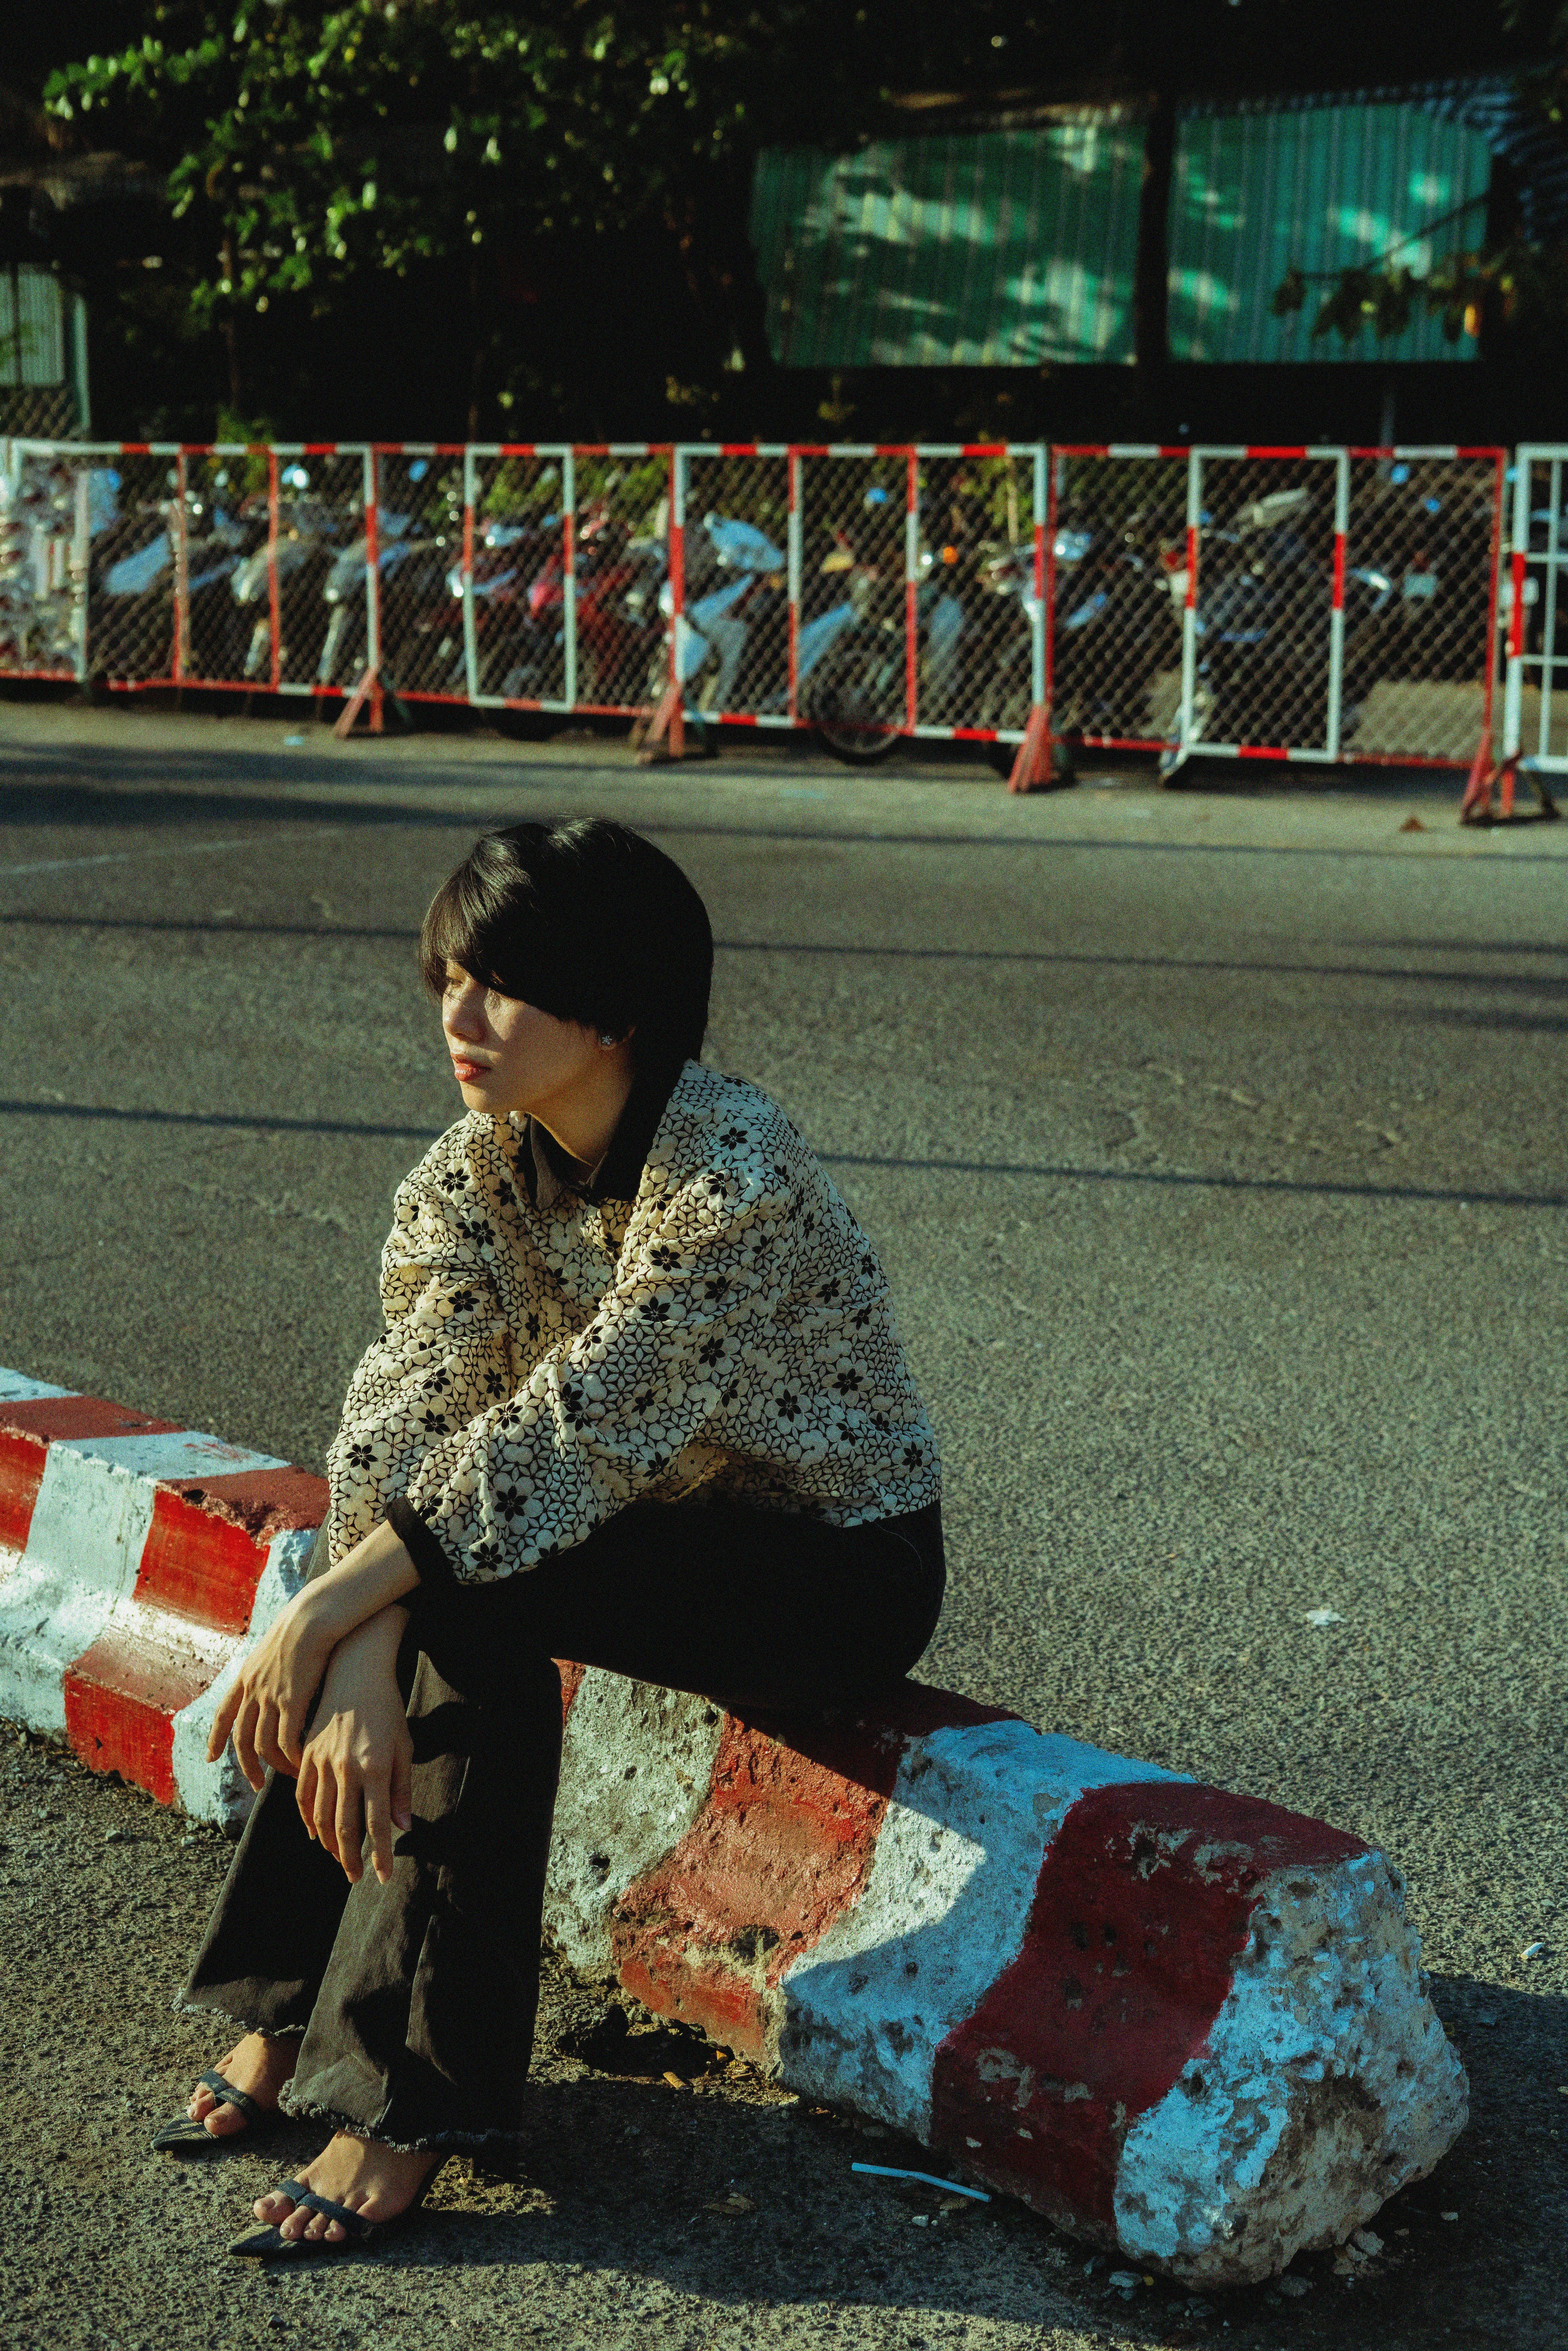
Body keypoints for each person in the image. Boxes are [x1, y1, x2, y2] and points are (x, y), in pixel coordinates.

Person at [157, 817, 945, 2258]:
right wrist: (352, 1630)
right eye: (450, 977)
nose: (459, 1016)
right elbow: (403, 1405)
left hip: (826, 1566)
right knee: (427, 1587)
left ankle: (408, 2102)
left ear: (619, 1002)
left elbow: (575, 1434)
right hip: (626, 1524)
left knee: (467, 1591)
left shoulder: (732, 1168)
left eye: (502, 983)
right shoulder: (476, 1171)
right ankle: (282, 2013)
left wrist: (337, 1610)